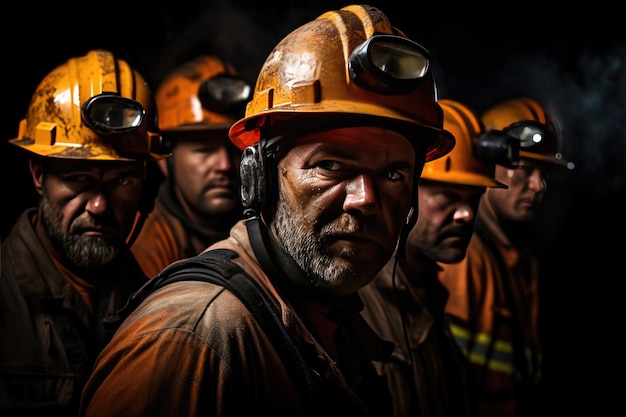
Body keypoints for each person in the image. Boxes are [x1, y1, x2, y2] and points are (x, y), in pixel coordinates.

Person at [78, 4, 455, 416]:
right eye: (330, 165)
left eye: (394, 175)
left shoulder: (329, 320)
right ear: (261, 177)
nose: (365, 199)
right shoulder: (190, 339)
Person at [0, 49, 169, 416]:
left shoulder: (148, 298)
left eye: (122, 180)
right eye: (78, 179)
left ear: (146, 184)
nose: (99, 206)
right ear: (38, 175)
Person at [359, 99, 518, 417]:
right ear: (400, 189)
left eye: (475, 198)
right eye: (448, 196)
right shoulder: (356, 302)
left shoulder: (429, 296)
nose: (466, 214)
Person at [438, 97, 574, 417]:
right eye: (524, 169)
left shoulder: (518, 259)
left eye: (544, 173)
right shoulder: (462, 257)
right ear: (486, 161)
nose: (538, 185)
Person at [131, 55, 251, 278]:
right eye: (204, 150)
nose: (225, 165)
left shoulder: (256, 226)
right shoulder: (147, 245)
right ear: (165, 160)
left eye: (235, 148)